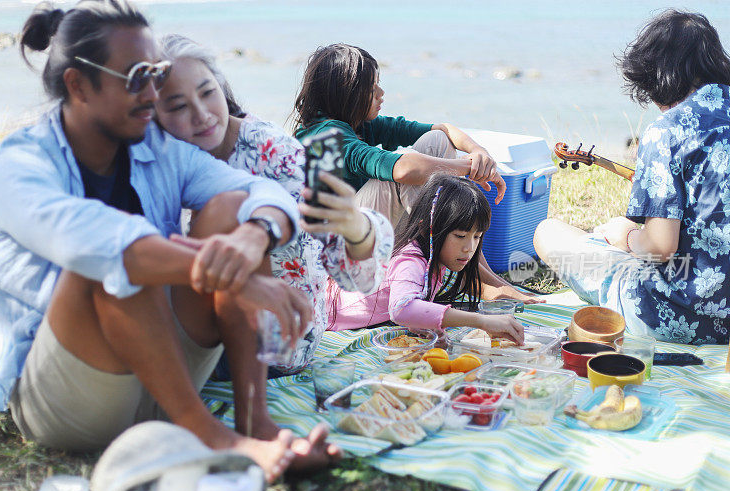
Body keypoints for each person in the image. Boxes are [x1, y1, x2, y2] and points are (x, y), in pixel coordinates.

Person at [0, 0, 329, 481]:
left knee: (228, 211)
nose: (153, 91)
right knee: (120, 262)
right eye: (137, 75)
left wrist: (253, 235)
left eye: (156, 72)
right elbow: (107, 246)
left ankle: (253, 420)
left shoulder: (157, 149)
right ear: (78, 84)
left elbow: (255, 191)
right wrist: (240, 281)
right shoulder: (22, 164)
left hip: (160, 381)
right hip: (69, 398)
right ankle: (211, 437)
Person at [152, 34, 392, 443]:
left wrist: (356, 228)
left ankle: (250, 422)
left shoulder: (269, 153)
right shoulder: (158, 155)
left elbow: (357, 279)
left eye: (207, 92)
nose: (202, 115)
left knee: (228, 209)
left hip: (273, 346)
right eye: (177, 106)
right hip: (193, 328)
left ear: (220, 86)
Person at [534, 10, 730, 345]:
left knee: (549, 232)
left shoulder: (668, 130)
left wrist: (625, 236)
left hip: (679, 317)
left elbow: (659, 247)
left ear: (659, 76)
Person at [292, 43, 542, 305]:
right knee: (397, 178)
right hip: (333, 260)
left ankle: (484, 277)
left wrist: (479, 153)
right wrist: (468, 168)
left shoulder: (357, 124)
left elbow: (443, 129)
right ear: (346, 94)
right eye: (372, 87)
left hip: (361, 239)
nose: (381, 93)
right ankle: (468, 279)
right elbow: (403, 169)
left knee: (435, 141)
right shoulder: (325, 135)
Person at [328, 174, 525, 345]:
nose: (469, 248)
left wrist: (423, 323)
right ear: (428, 228)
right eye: (460, 236)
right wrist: (481, 321)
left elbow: (412, 306)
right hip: (319, 312)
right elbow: (401, 308)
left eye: (477, 236)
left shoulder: (435, 261)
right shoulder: (410, 261)